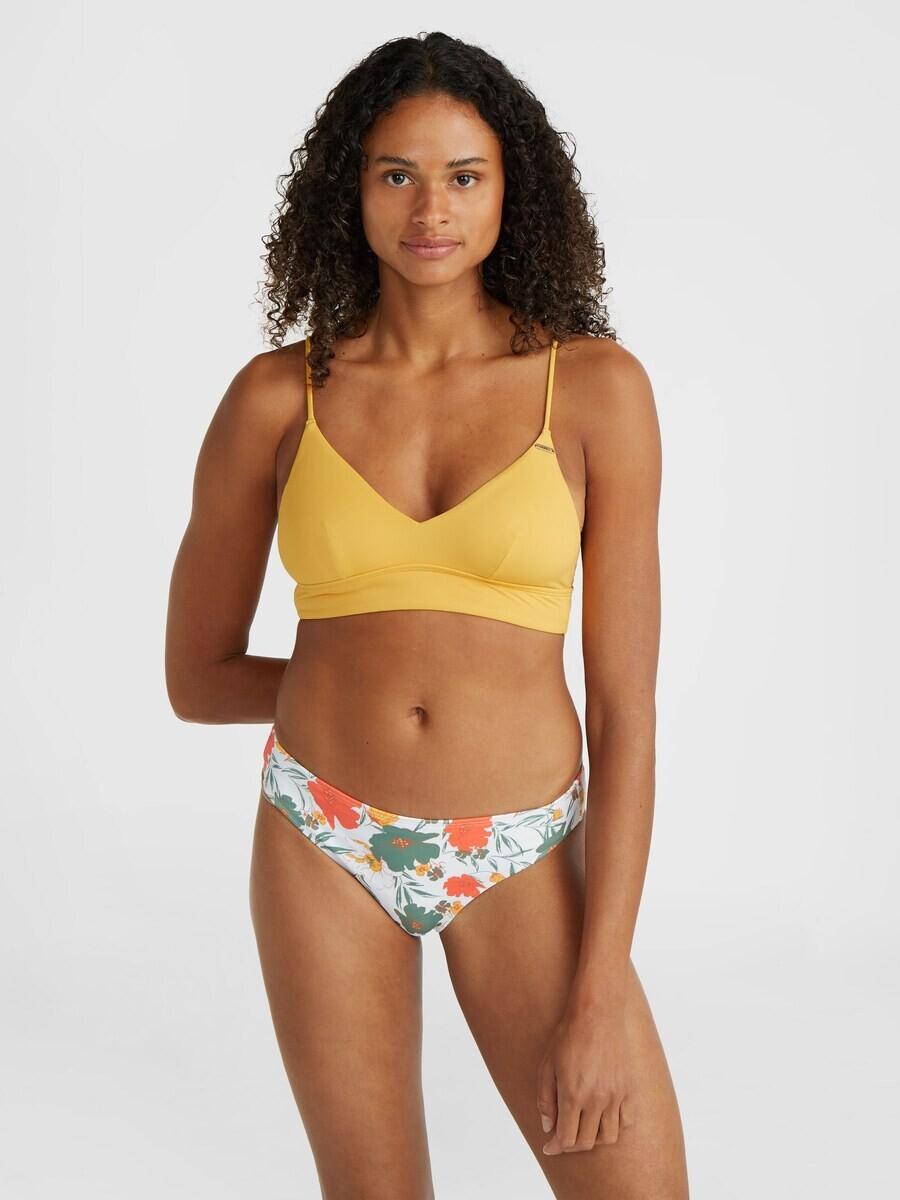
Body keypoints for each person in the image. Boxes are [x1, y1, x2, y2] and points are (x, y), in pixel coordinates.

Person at [165, 30, 689, 1200]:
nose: (430, 209)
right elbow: (196, 677)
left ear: (513, 190)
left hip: (519, 848)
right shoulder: (275, 400)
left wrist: (602, 987)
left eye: (464, 175)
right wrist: (355, 686)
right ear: (349, 189)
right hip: (324, 837)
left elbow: (626, 714)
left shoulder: (596, 391)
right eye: (396, 173)